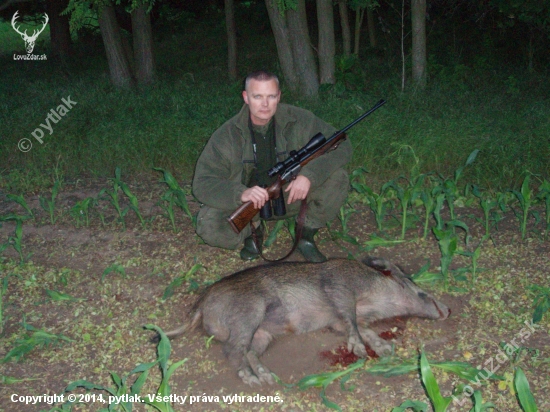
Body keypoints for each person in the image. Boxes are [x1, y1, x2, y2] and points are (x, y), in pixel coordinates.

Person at [192, 70, 352, 262]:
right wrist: (241, 194)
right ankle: (254, 231)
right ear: (246, 97)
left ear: (279, 96)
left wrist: (309, 175)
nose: (265, 104)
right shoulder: (226, 135)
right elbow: (202, 183)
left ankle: (305, 235)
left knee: (338, 177)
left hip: (291, 194)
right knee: (209, 227)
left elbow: (342, 144)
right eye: (257, 96)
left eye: (271, 96)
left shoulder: (300, 119)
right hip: (250, 203)